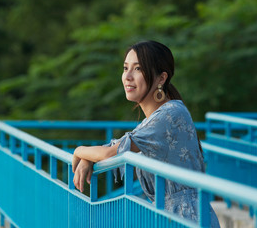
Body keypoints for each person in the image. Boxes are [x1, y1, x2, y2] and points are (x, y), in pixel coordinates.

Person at [71, 40, 220, 227]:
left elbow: (111, 153)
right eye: (126, 68)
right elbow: (114, 146)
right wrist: (87, 159)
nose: (128, 76)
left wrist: (79, 151)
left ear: (161, 78)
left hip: (187, 219)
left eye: (138, 69)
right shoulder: (153, 120)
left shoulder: (170, 114)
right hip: (169, 218)